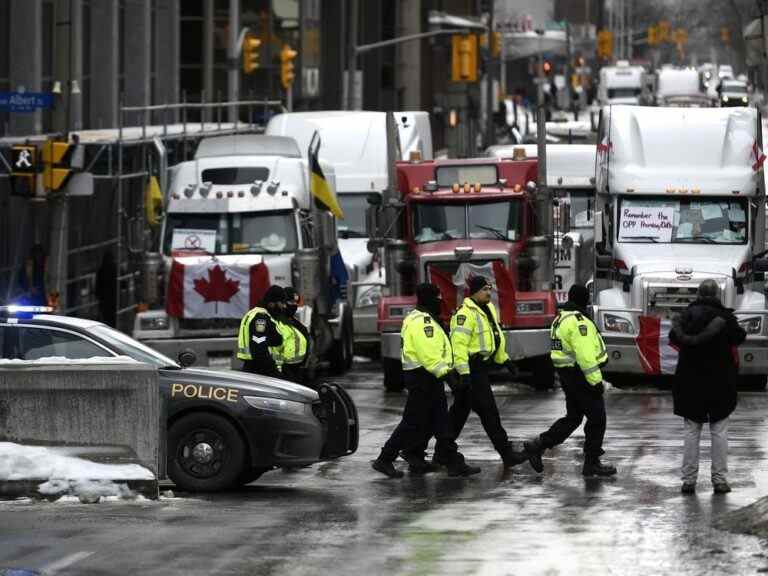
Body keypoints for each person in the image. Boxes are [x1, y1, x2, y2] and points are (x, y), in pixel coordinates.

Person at [372, 283, 480, 478]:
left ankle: (440, 459)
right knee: (413, 423)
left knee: (438, 421)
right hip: (423, 377)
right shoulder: (423, 323)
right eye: (438, 299)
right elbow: (430, 355)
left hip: (427, 377)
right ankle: (385, 459)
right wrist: (449, 377)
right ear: (430, 299)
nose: (440, 302)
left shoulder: (421, 319)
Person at [523, 284, 616, 477]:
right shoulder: (578, 321)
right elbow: (585, 356)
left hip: (568, 376)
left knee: (573, 418)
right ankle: (591, 463)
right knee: (598, 419)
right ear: (584, 299)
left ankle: (538, 445)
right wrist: (595, 381)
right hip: (581, 376)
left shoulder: (560, 319)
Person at [668, 279, 746, 494]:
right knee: (719, 431)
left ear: (698, 293)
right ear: (717, 294)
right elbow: (740, 337)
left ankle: (689, 481)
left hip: (689, 381)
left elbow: (673, 338)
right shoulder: (726, 318)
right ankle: (719, 480)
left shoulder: (685, 317)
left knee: (691, 431)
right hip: (720, 381)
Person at [441, 275, 526, 468]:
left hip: (480, 368)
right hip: (471, 370)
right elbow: (459, 347)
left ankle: (442, 452)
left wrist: (506, 361)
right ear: (474, 292)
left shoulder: (487, 310)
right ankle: (506, 453)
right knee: (489, 412)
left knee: (458, 414)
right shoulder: (465, 314)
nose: (489, 293)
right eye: (485, 289)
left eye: (490, 289)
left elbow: (494, 339)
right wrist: (464, 374)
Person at [237, 285, 285, 377]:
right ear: (272, 303)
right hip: (260, 372)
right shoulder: (260, 318)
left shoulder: (256, 314)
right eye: (281, 303)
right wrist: (275, 374)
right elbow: (259, 350)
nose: (283, 306)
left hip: (256, 370)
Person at [278, 287, 311, 384]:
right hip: (282, 373)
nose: (295, 305)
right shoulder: (275, 322)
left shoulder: (298, 325)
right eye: (291, 302)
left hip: (297, 372)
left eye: (296, 303)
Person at [95, 250, 117, 327]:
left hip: (104, 298)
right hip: (114, 297)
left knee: (106, 317)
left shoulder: (101, 270)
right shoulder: (115, 269)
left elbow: (98, 285)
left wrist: (98, 296)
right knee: (113, 316)